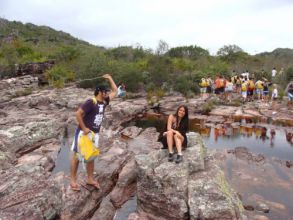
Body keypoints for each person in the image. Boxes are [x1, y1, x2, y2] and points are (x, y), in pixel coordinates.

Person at [70, 74, 117, 191]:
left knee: (91, 156)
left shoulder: (104, 102)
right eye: (105, 91)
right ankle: (72, 180)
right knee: (77, 156)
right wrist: (84, 128)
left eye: (107, 91)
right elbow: (78, 114)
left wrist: (110, 78)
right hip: (83, 134)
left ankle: (90, 179)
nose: (107, 93)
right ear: (100, 92)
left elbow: (115, 91)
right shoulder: (91, 102)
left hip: (94, 134)